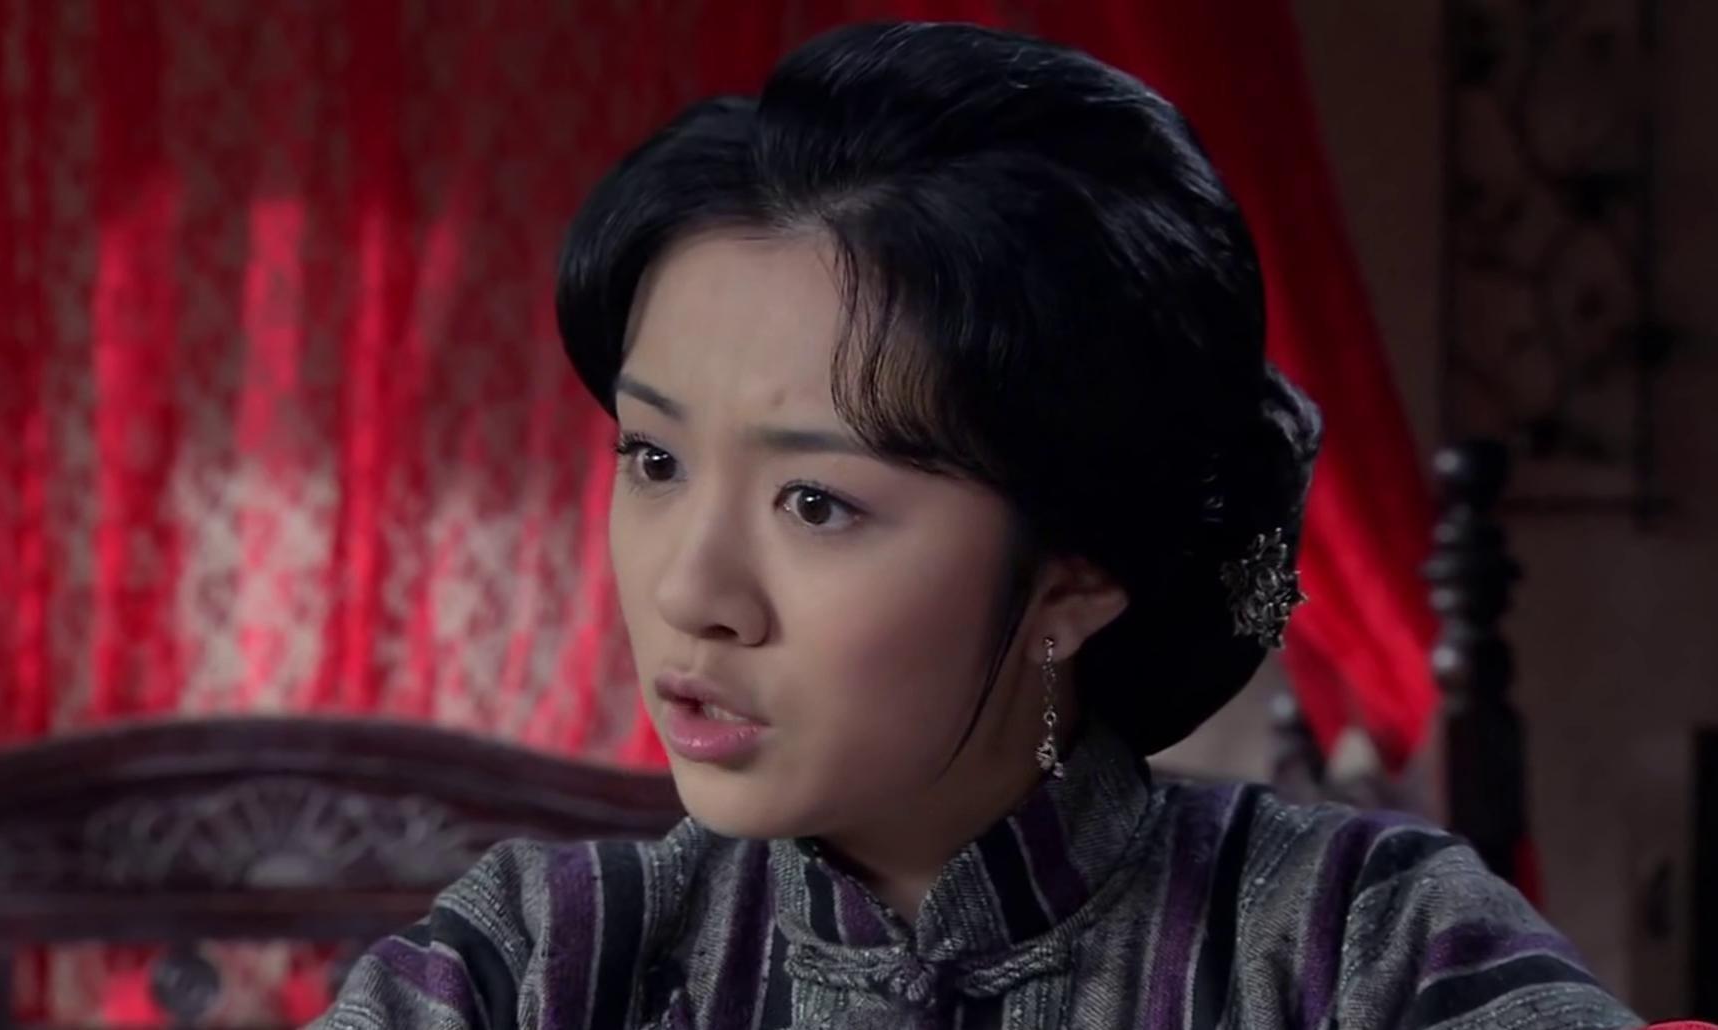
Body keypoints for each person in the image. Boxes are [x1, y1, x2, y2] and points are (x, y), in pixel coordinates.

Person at [318, 21, 1638, 1029]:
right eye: (654, 458)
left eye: (817, 501)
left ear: (1078, 572)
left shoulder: (1363, 945)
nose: (690, 591)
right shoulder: (536, 965)